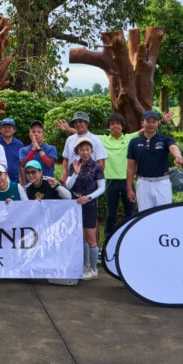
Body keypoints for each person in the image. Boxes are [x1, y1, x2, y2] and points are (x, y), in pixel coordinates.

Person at [126, 110, 183, 212]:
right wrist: (129, 188)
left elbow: (173, 147)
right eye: (148, 121)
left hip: (162, 183)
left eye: (154, 122)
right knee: (144, 215)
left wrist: (178, 156)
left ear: (158, 123)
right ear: (142, 123)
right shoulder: (134, 142)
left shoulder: (165, 139)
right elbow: (130, 167)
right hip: (143, 183)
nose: (151, 124)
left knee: (164, 214)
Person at [66, 138, 106, 280]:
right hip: (75, 203)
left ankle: (93, 269)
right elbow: (68, 186)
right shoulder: (74, 165)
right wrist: (76, 173)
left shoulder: (96, 167)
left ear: (92, 151)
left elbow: (102, 188)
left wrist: (88, 197)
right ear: (77, 151)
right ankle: (84, 266)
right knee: (80, 236)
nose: (84, 152)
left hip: (89, 203)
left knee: (90, 236)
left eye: (87, 149)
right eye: (81, 149)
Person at [98, 114, 140, 243]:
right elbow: (85, 134)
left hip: (127, 182)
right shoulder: (102, 139)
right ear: (109, 127)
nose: (115, 126)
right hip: (110, 181)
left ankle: (132, 238)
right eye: (112, 124)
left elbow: (147, 129)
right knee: (111, 213)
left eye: (117, 123)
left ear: (122, 126)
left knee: (130, 212)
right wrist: (68, 129)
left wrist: (162, 121)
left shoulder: (129, 138)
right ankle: (108, 241)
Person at [57, 111, 107, 185]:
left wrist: (95, 179)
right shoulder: (69, 139)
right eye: (75, 122)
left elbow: (101, 163)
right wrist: (64, 174)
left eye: (81, 121)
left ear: (87, 123)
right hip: (72, 180)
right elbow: (66, 159)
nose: (78, 124)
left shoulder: (96, 140)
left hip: (89, 182)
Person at [0, 117, 25, 184]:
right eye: (5, 127)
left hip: (14, 180)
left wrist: (24, 182)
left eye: (9, 127)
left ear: (14, 130)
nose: (7, 129)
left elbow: (21, 165)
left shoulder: (19, 145)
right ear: (0, 129)